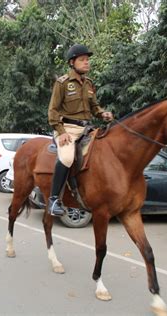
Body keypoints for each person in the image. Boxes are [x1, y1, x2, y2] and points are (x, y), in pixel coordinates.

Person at [47, 44, 114, 216]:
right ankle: (54, 200)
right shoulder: (62, 83)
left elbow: (94, 107)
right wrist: (61, 132)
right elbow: (53, 111)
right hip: (67, 128)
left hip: (86, 128)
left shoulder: (89, 84)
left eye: (88, 60)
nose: (87, 63)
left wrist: (103, 113)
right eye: (82, 60)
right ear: (72, 62)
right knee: (68, 158)